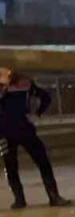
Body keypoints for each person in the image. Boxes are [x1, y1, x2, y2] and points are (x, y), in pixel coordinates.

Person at [1, 67, 70, 209]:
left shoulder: (26, 83)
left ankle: (53, 196)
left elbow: (45, 97)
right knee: (10, 166)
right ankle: (19, 200)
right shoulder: (3, 85)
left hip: (24, 130)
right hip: (4, 133)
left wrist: (37, 113)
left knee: (42, 161)